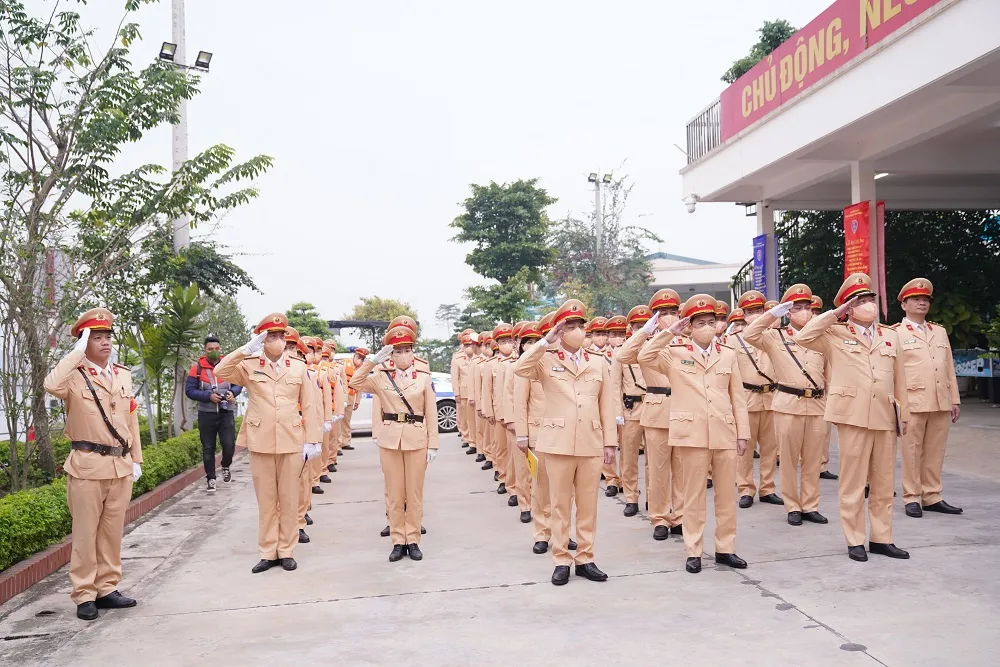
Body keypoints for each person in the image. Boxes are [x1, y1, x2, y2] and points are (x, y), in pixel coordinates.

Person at [796, 274, 910, 562]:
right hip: (853, 415)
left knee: (884, 483)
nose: (868, 305)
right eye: (860, 301)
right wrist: (836, 313)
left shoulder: (890, 335)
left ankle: (882, 538)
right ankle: (854, 539)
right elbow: (803, 336)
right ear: (849, 306)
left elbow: (900, 379)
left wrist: (903, 414)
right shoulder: (835, 333)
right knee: (853, 482)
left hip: (885, 415)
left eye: (870, 299)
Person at [638, 295, 750, 574]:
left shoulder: (728, 354)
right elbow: (643, 356)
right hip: (692, 434)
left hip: (724, 431)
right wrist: (668, 333)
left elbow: (737, 397)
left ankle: (726, 548)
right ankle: (694, 550)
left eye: (711, 322)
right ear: (688, 326)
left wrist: (743, 433)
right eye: (700, 322)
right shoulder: (674, 353)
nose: (707, 327)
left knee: (725, 495)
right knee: (693, 496)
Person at [44, 308, 143, 621]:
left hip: (119, 466)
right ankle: (84, 594)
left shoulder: (122, 374)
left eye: (107, 337)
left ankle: (107, 588)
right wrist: (74, 353)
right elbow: (50, 385)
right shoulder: (72, 377)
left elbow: (131, 420)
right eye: (96, 337)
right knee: (86, 534)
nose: (104, 342)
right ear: (83, 342)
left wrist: (136, 459)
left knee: (111, 532)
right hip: (87, 465)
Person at [514, 299, 617, 586]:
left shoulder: (597, 362)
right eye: (568, 326)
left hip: (591, 441)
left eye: (579, 326)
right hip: (557, 442)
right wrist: (545, 341)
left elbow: (606, 405)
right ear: (559, 331)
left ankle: (586, 558)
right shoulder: (544, 359)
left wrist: (610, 442)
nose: (575, 331)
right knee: (559, 504)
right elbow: (520, 369)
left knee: (588, 505)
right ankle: (561, 558)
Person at [215, 313, 322, 573]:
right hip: (260, 440)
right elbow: (221, 371)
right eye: (270, 336)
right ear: (262, 340)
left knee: (288, 498)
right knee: (266, 500)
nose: (277, 340)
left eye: (280, 336)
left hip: (291, 440)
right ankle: (268, 551)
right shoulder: (250, 365)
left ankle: (286, 550)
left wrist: (313, 440)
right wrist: (245, 349)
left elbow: (308, 405)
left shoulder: (298, 367)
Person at [350, 326, 439, 561]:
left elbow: (431, 412)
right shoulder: (380, 377)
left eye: (407, 350)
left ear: (413, 352)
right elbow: (355, 383)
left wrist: (433, 444)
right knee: (395, 494)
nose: (403, 355)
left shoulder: (423, 378)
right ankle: (398, 540)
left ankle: (414, 539)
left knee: (414, 492)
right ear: (390, 354)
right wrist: (371, 362)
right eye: (397, 351)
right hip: (390, 440)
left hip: (417, 438)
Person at [743, 285, 829, 526]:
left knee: (813, 460)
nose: (804, 312)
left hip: (816, 405)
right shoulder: (775, 336)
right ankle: (792, 505)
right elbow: (750, 334)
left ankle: (810, 505)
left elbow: (828, 374)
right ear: (789, 313)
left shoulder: (821, 338)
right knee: (789, 459)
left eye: (807, 308)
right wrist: (773, 314)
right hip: (788, 405)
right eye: (797, 308)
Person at [894, 278, 962, 518]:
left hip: (940, 399)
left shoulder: (939, 331)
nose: (922, 303)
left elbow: (948, 368)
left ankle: (932, 495)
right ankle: (911, 497)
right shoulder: (895, 333)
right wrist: (896, 406)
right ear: (904, 304)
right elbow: (892, 372)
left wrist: (954, 399)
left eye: (925, 300)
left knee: (935, 450)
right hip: (912, 401)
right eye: (916, 299)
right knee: (911, 450)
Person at [619, 293, 685, 538]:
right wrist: (647, 331)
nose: (668, 317)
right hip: (657, 408)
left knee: (682, 469)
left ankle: (679, 515)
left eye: (672, 312)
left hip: (684, 409)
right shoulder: (647, 343)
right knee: (658, 469)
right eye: (662, 313)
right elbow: (623, 356)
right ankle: (659, 517)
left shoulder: (687, 341)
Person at [728, 291, 782, 508]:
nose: (754, 315)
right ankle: (746, 488)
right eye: (750, 312)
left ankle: (767, 488)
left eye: (758, 311)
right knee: (745, 449)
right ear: (743, 314)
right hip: (746, 399)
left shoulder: (775, 335)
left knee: (770, 448)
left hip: (771, 397)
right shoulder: (733, 340)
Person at [185, 335, 243, 492]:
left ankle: (225, 466)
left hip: (226, 412)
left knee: (229, 445)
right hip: (206, 414)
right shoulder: (196, 368)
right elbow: (189, 391)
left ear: (220, 349)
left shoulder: (229, 365)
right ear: (205, 350)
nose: (214, 352)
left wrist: (233, 392)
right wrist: (208, 396)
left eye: (217, 349)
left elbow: (239, 384)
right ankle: (210, 478)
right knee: (208, 447)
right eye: (210, 349)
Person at [609, 310, 646, 507]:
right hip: (631, 410)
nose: (641, 330)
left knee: (656, 461)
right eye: (637, 326)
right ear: (630, 328)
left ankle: (656, 499)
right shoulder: (620, 352)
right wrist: (617, 413)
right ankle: (631, 497)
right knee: (629, 458)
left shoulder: (658, 348)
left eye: (645, 326)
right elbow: (615, 385)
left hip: (654, 408)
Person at [810, 296, 838, 481]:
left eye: (816, 312)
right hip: (796, 395)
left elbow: (829, 367)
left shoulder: (828, 335)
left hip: (821, 392)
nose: (813, 315)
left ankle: (822, 464)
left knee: (824, 433)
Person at [340, 346, 367, 452]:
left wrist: (357, 401)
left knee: (346, 421)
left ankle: (346, 442)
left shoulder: (362, 370)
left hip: (351, 397)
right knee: (338, 422)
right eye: (358, 357)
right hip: (341, 396)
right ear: (354, 355)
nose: (359, 359)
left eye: (362, 358)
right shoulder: (344, 363)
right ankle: (337, 444)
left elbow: (360, 387)